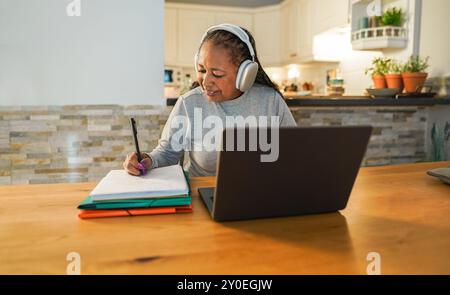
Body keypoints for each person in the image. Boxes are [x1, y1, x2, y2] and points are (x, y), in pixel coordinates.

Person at [123, 23, 296, 177]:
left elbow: (294, 154)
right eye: (202, 70)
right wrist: (148, 160)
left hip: (260, 193)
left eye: (217, 74)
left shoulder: (271, 102)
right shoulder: (189, 103)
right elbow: (168, 153)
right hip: (202, 198)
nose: (205, 81)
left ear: (245, 74)